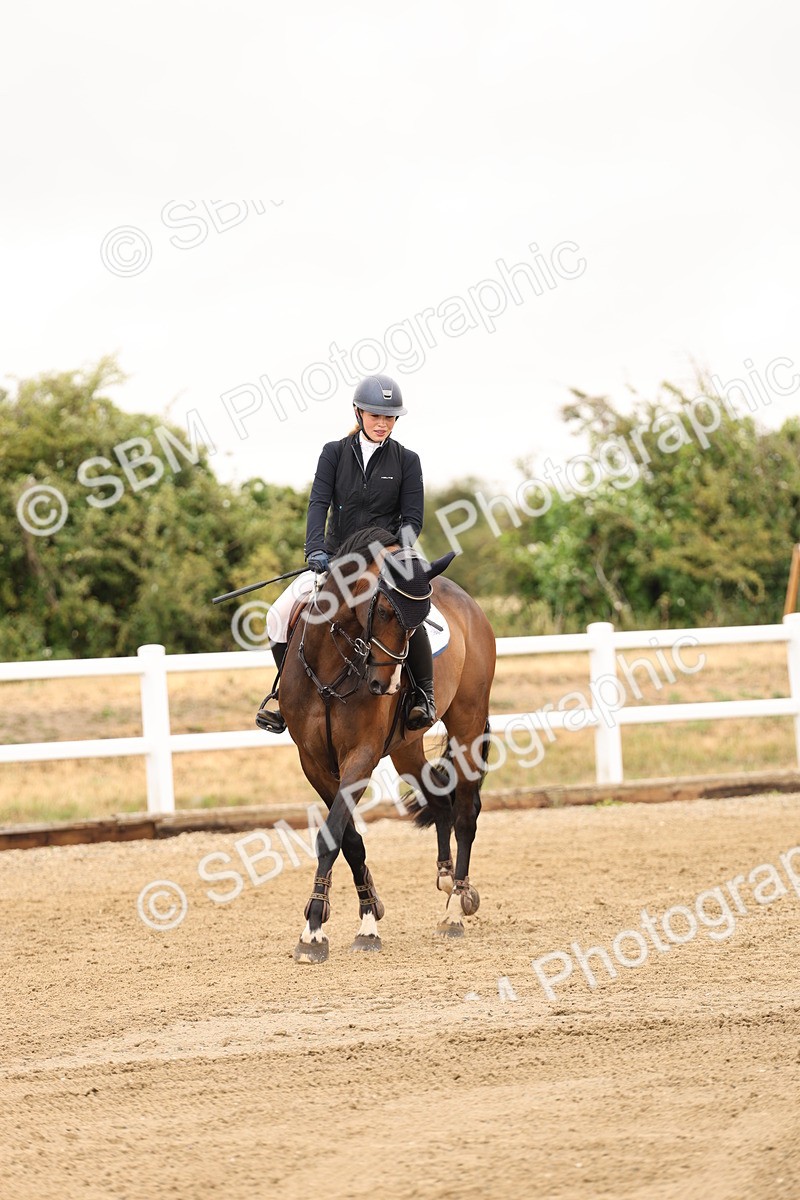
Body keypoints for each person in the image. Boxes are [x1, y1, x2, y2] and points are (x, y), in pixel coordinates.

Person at [256, 374, 436, 734]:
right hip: (337, 559)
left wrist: (395, 554)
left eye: (389, 417)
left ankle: (423, 695)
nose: (383, 423)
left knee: (407, 614)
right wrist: (314, 548)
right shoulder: (334, 453)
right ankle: (285, 697)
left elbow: (412, 519)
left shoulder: (407, 461)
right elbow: (318, 503)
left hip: (384, 561)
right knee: (277, 617)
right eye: (375, 415)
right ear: (358, 412)